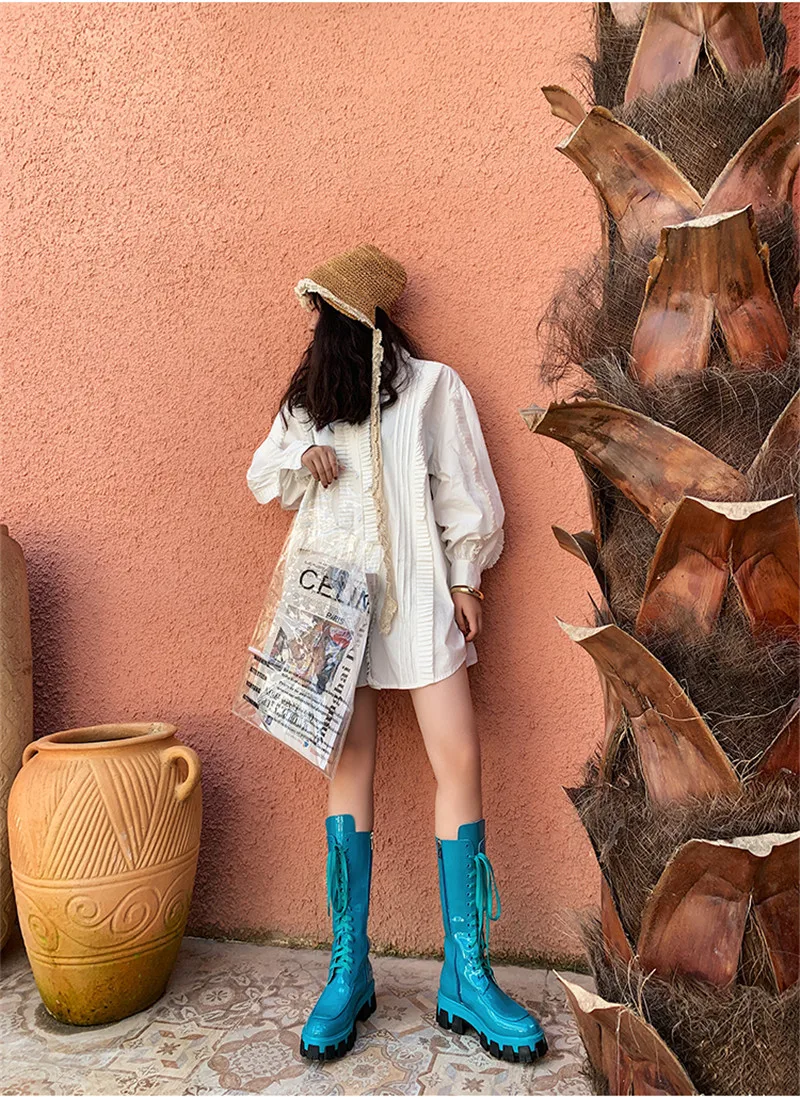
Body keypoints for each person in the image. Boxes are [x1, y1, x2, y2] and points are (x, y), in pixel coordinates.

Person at [246, 244, 547, 1064]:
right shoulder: (311, 404)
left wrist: (467, 578)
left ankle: (466, 971)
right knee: (348, 764)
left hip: (415, 594)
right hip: (332, 603)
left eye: (332, 316)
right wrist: (300, 459)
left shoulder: (432, 387)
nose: (322, 331)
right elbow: (263, 474)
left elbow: (462, 489)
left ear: (368, 321)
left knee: (461, 755)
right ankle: (349, 968)